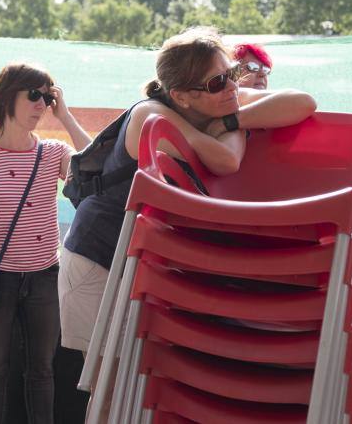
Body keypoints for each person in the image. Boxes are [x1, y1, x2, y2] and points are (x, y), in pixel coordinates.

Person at [59, 27, 315, 419]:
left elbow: (303, 102)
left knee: (145, 383)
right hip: (99, 262)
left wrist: (231, 120)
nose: (231, 86)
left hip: (141, 266)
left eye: (231, 73)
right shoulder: (150, 114)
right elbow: (226, 160)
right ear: (181, 95)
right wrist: (234, 125)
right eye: (217, 82)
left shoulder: (216, 101)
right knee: (110, 386)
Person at [0, 63, 90, 424]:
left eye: (48, 97)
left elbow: (93, 164)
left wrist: (66, 115)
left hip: (44, 276)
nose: (42, 105)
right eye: (35, 95)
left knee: (42, 368)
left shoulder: (54, 153)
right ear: (8, 97)